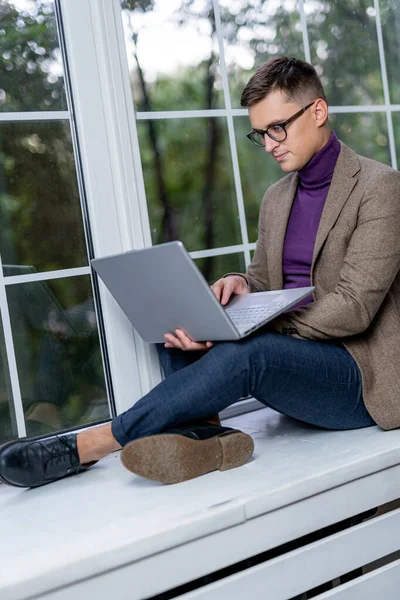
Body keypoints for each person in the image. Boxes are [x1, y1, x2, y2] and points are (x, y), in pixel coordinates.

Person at [1, 56, 400, 489]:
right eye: (260, 134)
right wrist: (241, 287)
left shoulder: (381, 188)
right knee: (179, 324)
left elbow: (354, 309)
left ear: (317, 112)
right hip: (298, 364)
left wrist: (255, 326)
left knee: (250, 352)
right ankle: (211, 438)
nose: (269, 145)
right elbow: (265, 281)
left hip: (358, 381)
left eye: (277, 128)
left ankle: (91, 444)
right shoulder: (277, 197)